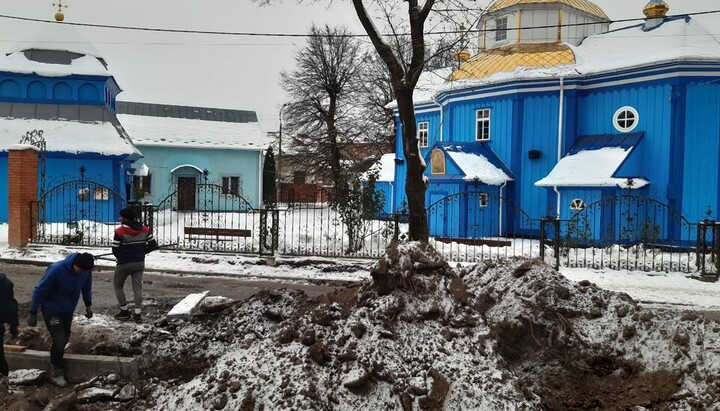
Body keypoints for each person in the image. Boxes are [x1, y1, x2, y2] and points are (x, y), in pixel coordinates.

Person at [28, 253, 94, 387]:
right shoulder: (56, 270)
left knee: (65, 337)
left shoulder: (85, 272)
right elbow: (38, 290)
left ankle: (56, 359)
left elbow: (86, 287)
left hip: (68, 309)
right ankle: (56, 372)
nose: (82, 273)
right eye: (80, 270)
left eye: (85, 271)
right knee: (59, 339)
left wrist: (88, 304)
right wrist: (33, 312)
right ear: (75, 264)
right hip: (51, 308)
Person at [112, 207, 158, 323]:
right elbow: (153, 245)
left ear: (125, 218)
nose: (120, 218)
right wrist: (142, 251)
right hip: (139, 263)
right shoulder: (144, 230)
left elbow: (115, 249)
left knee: (118, 286)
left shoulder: (119, 232)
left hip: (124, 263)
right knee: (137, 288)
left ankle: (124, 312)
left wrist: (120, 257)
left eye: (121, 216)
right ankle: (137, 314)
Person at [0, 273, 20, 377]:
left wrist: (14, 324)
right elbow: (11, 305)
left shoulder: (4, 283)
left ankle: (4, 381)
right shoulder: (5, 283)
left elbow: (10, 305)